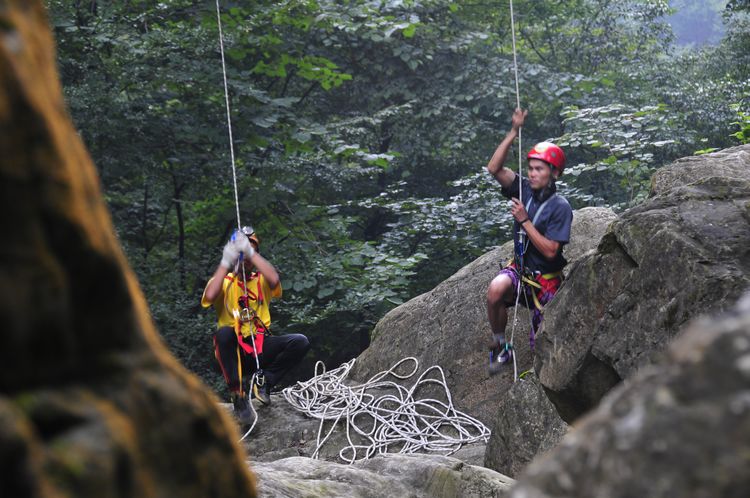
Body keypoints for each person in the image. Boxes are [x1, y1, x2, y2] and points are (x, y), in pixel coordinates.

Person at [485, 108, 573, 372]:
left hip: (546, 280)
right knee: (495, 292)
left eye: (539, 169)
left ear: (554, 173)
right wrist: (514, 131)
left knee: (541, 344)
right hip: (521, 271)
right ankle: (501, 346)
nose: (532, 173)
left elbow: (550, 251)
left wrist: (524, 220)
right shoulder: (523, 188)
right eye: (531, 168)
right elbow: (494, 168)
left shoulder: (561, 207)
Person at [201, 226, 310, 424]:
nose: (246, 259)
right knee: (224, 334)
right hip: (234, 352)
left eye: (251, 254)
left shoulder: (261, 281)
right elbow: (209, 296)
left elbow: (274, 278)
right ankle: (238, 395)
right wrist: (226, 260)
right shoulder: (225, 282)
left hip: (259, 347)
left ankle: (265, 381)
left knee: (299, 342)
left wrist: (250, 251)